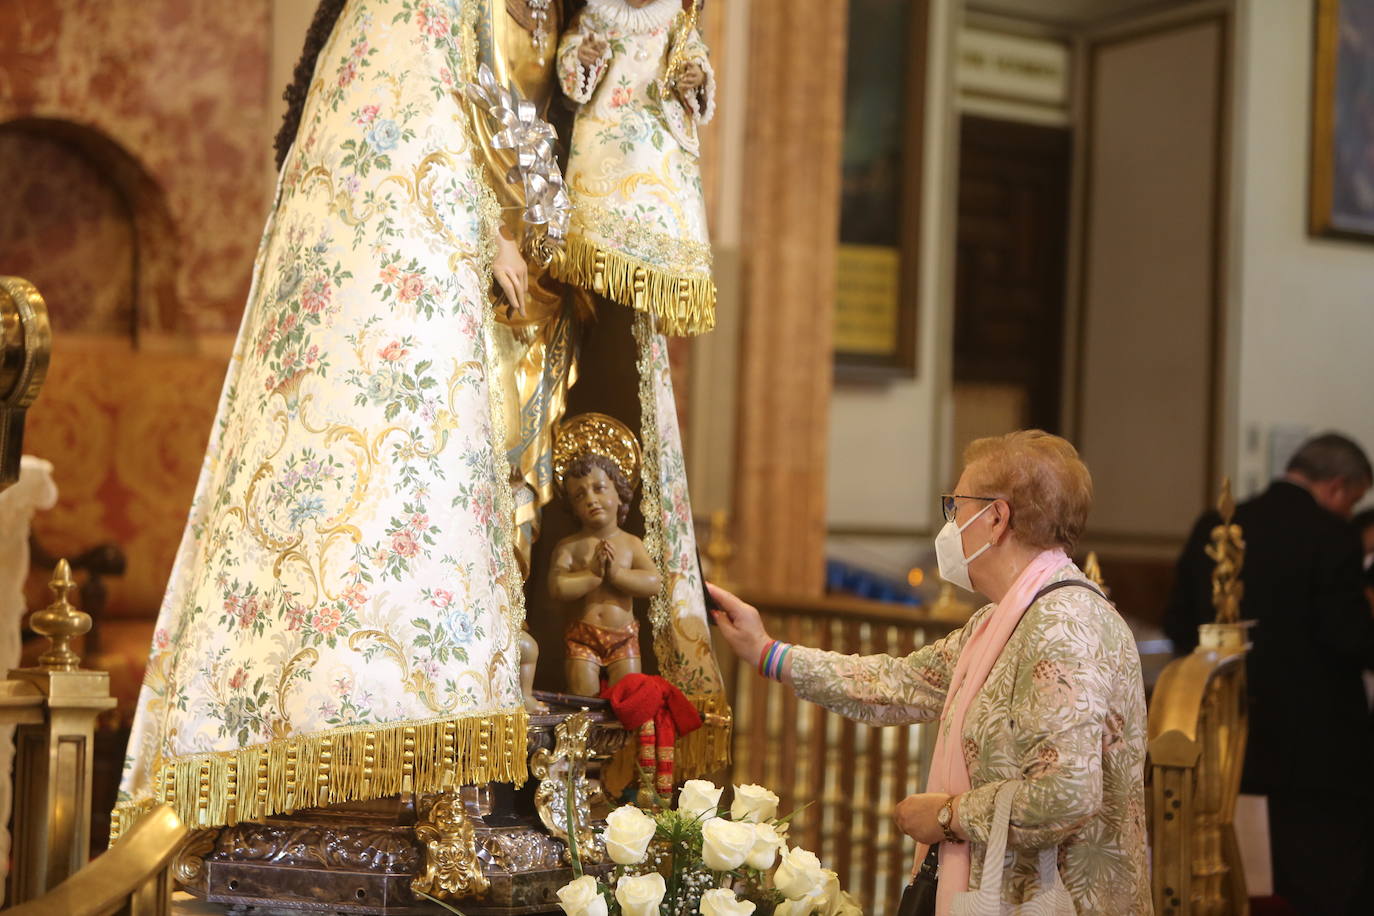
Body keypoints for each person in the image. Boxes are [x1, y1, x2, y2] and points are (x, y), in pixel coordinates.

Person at [112, 0, 555, 836]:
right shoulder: (401, 24)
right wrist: (480, 231)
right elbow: (407, 161)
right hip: (387, 246)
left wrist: (492, 220)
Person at [712, 430, 1151, 914]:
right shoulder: (1002, 619)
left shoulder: (1063, 626)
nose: (952, 526)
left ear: (996, 518)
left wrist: (947, 815)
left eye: (956, 508)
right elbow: (897, 684)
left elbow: (1066, 794)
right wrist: (767, 652)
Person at [1163, 432, 1374, 915]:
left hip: (1224, 740)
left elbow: (1179, 623)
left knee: (1238, 882)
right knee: (1320, 886)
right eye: (1355, 501)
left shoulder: (1215, 525)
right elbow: (1350, 638)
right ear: (1339, 487)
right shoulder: (1332, 535)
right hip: (1317, 754)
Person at [553, 0, 717, 336]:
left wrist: (695, 75)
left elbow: (693, 54)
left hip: (658, 152)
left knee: (638, 308)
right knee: (597, 286)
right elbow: (572, 53)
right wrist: (584, 57)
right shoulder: (598, 12)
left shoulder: (675, 18)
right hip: (605, 149)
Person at [549, 452, 661, 696]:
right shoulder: (569, 546)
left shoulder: (631, 544)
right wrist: (592, 575)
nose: (591, 499)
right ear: (573, 508)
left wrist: (616, 574)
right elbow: (557, 587)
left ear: (619, 494)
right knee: (583, 699)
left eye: (599, 488)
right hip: (583, 638)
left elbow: (653, 582)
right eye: (580, 495)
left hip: (623, 637)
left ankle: (624, 735)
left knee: (628, 697)